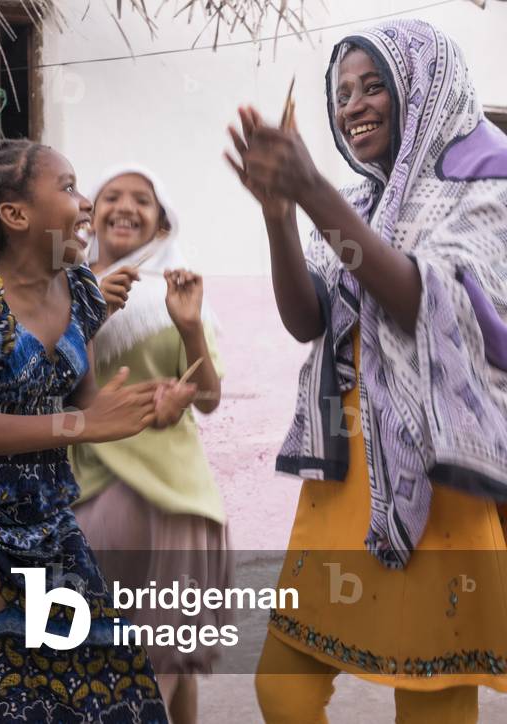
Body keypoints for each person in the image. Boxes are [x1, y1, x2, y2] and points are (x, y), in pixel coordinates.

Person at [226, 19, 507, 723]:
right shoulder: (361, 205)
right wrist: (280, 215)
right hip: (345, 477)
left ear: (425, 88)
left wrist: (314, 193)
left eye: (373, 85)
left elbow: (425, 302)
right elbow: (308, 320)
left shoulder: (490, 183)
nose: (351, 105)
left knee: (429, 703)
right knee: (282, 689)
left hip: (440, 486)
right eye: (342, 91)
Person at [0, 139, 191, 723]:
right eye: (68, 187)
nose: (86, 204)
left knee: (108, 683)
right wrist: (84, 423)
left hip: (46, 521)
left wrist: (132, 407)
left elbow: (75, 401)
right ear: (15, 215)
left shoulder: (79, 292)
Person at [70, 164, 227, 724]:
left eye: (143, 198)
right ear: (90, 213)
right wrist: (92, 311)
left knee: (168, 658)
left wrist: (187, 328)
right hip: (89, 493)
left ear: (161, 222)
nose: (126, 207)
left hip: (175, 500)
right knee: (108, 660)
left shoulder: (176, 287)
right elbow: (48, 385)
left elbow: (207, 396)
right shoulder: (61, 287)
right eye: (112, 195)